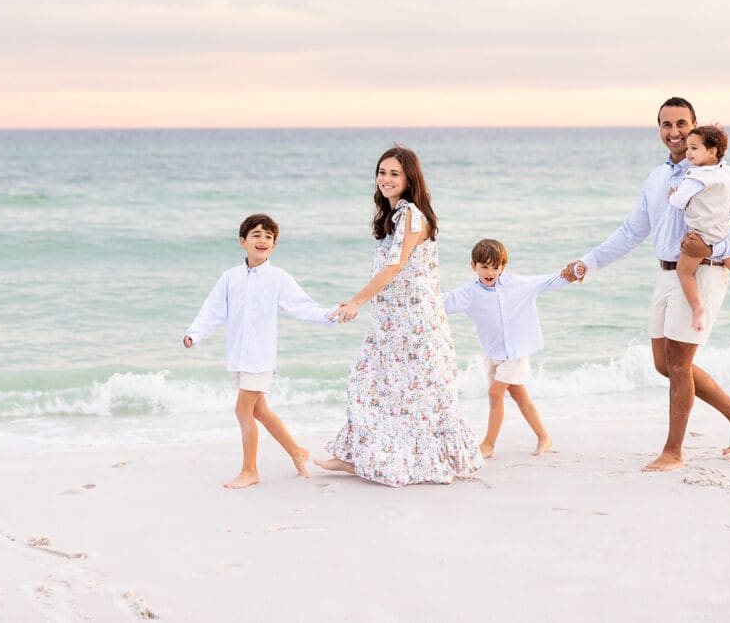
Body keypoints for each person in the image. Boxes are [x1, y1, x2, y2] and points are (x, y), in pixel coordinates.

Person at [561, 97, 730, 472]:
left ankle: (673, 452)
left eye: (682, 124)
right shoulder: (656, 179)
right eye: (667, 125)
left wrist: (713, 248)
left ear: (695, 126)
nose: (674, 132)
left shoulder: (720, 175)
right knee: (664, 364)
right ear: (659, 130)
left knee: (680, 364)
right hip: (667, 273)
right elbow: (632, 231)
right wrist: (588, 262)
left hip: (703, 273)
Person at [315, 145, 484, 486]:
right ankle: (365, 457)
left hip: (414, 325)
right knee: (379, 386)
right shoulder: (395, 216)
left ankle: (391, 461)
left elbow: (394, 267)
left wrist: (356, 301)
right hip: (394, 322)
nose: (386, 179)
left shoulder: (411, 216)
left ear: (409, 179)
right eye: (382, 172)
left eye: (394, 174)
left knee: (397, 389)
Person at [183, 213, 336, 489]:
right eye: (256, 235)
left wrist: (330, 315)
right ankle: (297, 451)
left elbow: (302, 306)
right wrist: (195, 333)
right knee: (260, 411)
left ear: (274, 245)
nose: (262, 240)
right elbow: (213, 310)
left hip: (260, 357)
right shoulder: (230, 277)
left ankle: (249, 470)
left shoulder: (278, 278)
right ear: (242, 241)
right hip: (237, 356)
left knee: (243, 412)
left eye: (268, 236)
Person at [442, 238, 570, 458]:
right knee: (519, 395)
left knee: (495, 394)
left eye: (495, 267)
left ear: (503, 266)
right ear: (473, 266)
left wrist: (571, 274)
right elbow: (441, 302)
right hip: (493, 353)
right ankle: (544, 437)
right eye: (484, 267)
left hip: (515, 352)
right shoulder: (469, 294)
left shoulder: (516, 285)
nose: (490, 272)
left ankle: (488, 444)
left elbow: (545, 282)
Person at [669, 125, 730, 331]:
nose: (688, 153)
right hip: (723, 232)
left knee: (684, 271)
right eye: (688, 148)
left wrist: (673, 194)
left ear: (712, 151)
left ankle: (697, 307)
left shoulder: (695, 178)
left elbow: (678, 202)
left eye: (694, 148)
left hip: (699, 236)